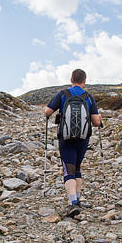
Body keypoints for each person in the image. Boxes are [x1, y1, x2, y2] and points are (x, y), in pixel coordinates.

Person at [43, 68, 102, 217]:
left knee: (68, 169)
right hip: (83, 138)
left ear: (71, 80)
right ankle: (78, 199)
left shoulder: (63, 94)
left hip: (66, 137)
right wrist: (100, 118)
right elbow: (95, 122)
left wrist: (49, 110)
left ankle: (73, 203)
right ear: (85, 81)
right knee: (76, 167)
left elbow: (47, 112)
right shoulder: (88, 97)